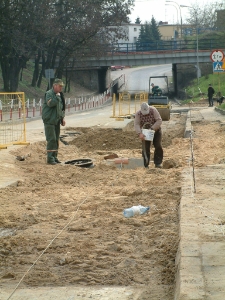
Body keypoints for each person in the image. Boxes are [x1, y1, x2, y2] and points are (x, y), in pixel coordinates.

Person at [42, 78, 66, 165]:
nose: (61, 88)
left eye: (61, 87)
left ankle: (55, 157)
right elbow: (50, 104)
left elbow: (61, 108)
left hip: (56, 120)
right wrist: (57, 97)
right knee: (51, 139)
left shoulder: (59, 95)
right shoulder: (49, 94)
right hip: (49, 120)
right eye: (59, 86)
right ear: (54, 86)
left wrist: (62, 118)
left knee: (56, 139)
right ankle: (50, 158)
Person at [134, 102, 163, 168]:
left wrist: (152, 128)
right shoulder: (138, 114)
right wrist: (139, 133)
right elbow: (136, 124)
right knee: (146, 148)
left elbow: (159, 120)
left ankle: (158, 163)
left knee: (158, 146)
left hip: (156, 130)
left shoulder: (153, 110)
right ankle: (145, 164)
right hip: (145, 132)